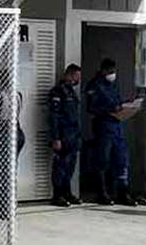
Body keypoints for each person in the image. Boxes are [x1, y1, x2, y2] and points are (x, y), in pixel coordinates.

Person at [85, 58, 136, 206]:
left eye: (114, 71)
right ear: (103, 70)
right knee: (102, 160)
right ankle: (102, 193)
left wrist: (125, 106)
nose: (113, 74)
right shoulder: (95, 85)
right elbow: (91, 108)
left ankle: (122, 192)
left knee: (121, 159)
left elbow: (117, 102)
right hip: (104, 125)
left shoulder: (113, 85)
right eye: (110, 71)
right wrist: (109, 109)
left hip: (117, 125)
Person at [48, 64, 82, 207]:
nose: (78, 79)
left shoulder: (71, 92)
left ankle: (67, 192)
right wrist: (56, 138)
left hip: (73, 135)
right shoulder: (57, 92)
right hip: (63, 135)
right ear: (69, 75)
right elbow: (54, 117)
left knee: (70, 166)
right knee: (60, 167)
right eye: (76, 76)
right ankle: (57, 195)